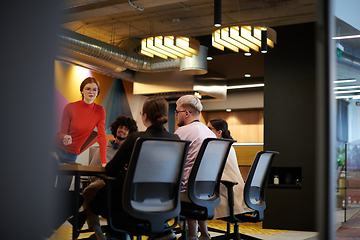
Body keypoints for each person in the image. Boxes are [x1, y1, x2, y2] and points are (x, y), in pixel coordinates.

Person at [89, 96, 180, 240]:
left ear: (145, 116)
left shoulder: (136, 138)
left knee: (99, 200)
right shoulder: (176, 140)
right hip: (166, 199)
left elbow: (111, 170)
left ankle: (119, 234)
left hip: (133, 200)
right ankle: (161, 230)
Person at [70, 115, 138, 240]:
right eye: (120, 127)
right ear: (115, 129)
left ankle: (83, 218)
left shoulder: (132, 150)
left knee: (91, 192)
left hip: (123, 185)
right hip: (103, 181)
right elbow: (92, 173)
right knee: (88, 191)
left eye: (126, 129)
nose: (122, 130)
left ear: (130, 133)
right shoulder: (103, 148)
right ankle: (97, 232)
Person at [53, 77, 107, 190]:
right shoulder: (70, 107)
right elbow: (62, 133)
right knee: (47, 185)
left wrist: (104, 162)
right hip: (56, 149)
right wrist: (65, 137)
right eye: (88, 89)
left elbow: (101, 136)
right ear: (82, 91)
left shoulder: (100, 110)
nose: (91, 92)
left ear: (98, 93)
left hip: (71, 154)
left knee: (63, 189)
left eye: (94, 90)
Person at [174, 95, 216, 240]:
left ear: (186, 113)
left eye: (177, 112)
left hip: (187, 191)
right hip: (206, 190)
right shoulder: (210, 134)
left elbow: (173, 163)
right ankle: (203, 234)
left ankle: (189, 234)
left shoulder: (182, 132)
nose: (175, 116)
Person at [207, 118, 251, 219]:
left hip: (228, 194)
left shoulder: (218, 147)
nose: (206, 130)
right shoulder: (228, 146)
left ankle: (192, 230)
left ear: (219, 132)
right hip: (238, 195)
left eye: (209, 128)